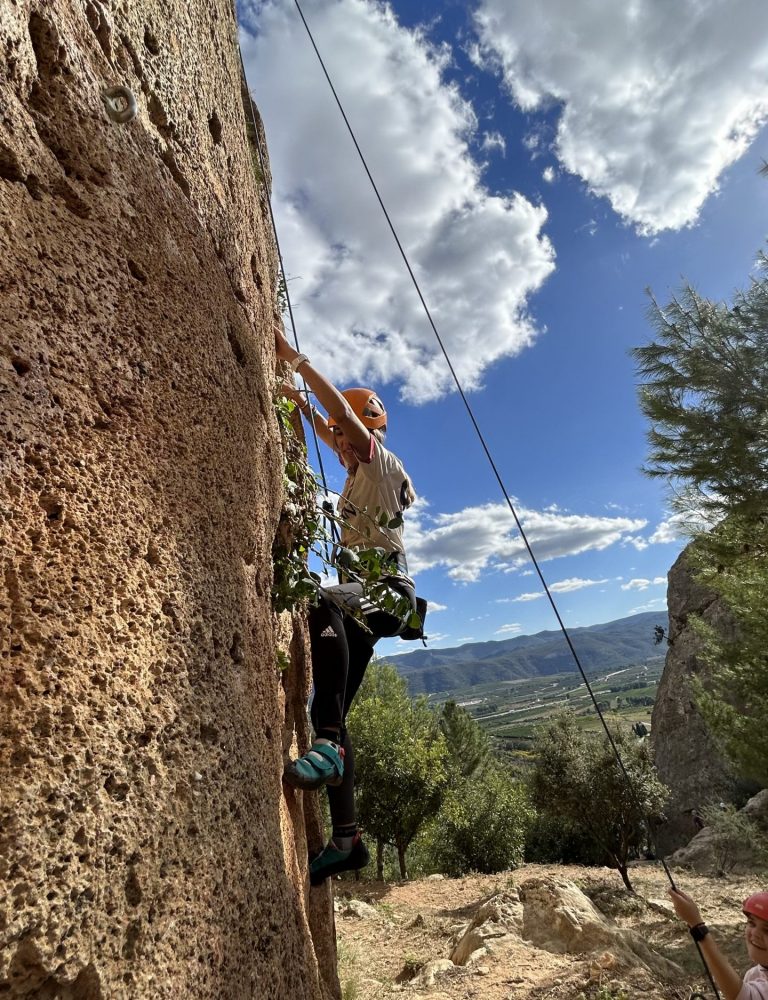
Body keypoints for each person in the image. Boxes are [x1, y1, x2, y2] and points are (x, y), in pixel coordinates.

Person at [274, 325, 417, 885]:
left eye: (344, 436)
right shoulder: (361, 472)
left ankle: (328, 747)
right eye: (334, 438)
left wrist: (300, 364)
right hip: (369, 602)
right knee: (326, 709)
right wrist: (300, 407)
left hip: (384, 592)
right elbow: (338, 431)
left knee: (317, 598)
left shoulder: (380, 464)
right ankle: (348, 838)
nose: (338, 445)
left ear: (368, 430)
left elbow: (350, 426)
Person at [669, 887, 768, 999]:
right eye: (752, 923)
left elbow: (740, 996)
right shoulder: (753, 974)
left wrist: (697, 926)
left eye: (767, 930)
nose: (755, 933)